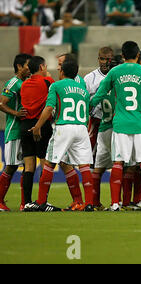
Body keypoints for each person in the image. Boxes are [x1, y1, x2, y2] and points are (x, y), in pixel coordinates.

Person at [90, 41, 141, 212]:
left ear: (123, 56)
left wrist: (87, 104)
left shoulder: (115, 71)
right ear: (138, 54)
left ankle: (114, 204)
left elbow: (100, 94)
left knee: (118, 162)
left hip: (120, 124)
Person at [30, 59, 94, 212]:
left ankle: (41, 202)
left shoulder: (56, 86)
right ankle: (88, 203)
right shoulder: (83, 90)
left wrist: (38, 126)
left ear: (62, 72)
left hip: (64, 127)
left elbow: (49, 107)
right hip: (81, 128)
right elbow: (86, 113)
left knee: (50, 162)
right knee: (84, 166)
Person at [20, 56, 55, 211]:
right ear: (42, 67)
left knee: (28, 166)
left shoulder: (24, 84)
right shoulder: (47, 82)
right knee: (44, 163)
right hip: (40, 126)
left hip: (25, 126)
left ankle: (26, 203)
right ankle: (42, 201)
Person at [84, 46, 114, 209]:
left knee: (123, 164)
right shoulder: (90, 78)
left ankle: (122, 201)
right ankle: (95, 202)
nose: (105, 62)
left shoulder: (117, 74)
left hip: (117, 125)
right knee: (95, 165)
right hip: (97, 124)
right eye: (102, 59)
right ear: (98, 59)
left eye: (108, 59)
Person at [0, 54, 31, 211]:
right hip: (14, 131)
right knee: (11, 166)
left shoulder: (27, 82)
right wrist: (16, 113)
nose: (29, 68)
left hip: (26, 131)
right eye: (27, 65)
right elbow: (1, 103)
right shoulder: (13, 83)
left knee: (28, 166)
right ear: (19, 66)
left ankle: (24, 203)